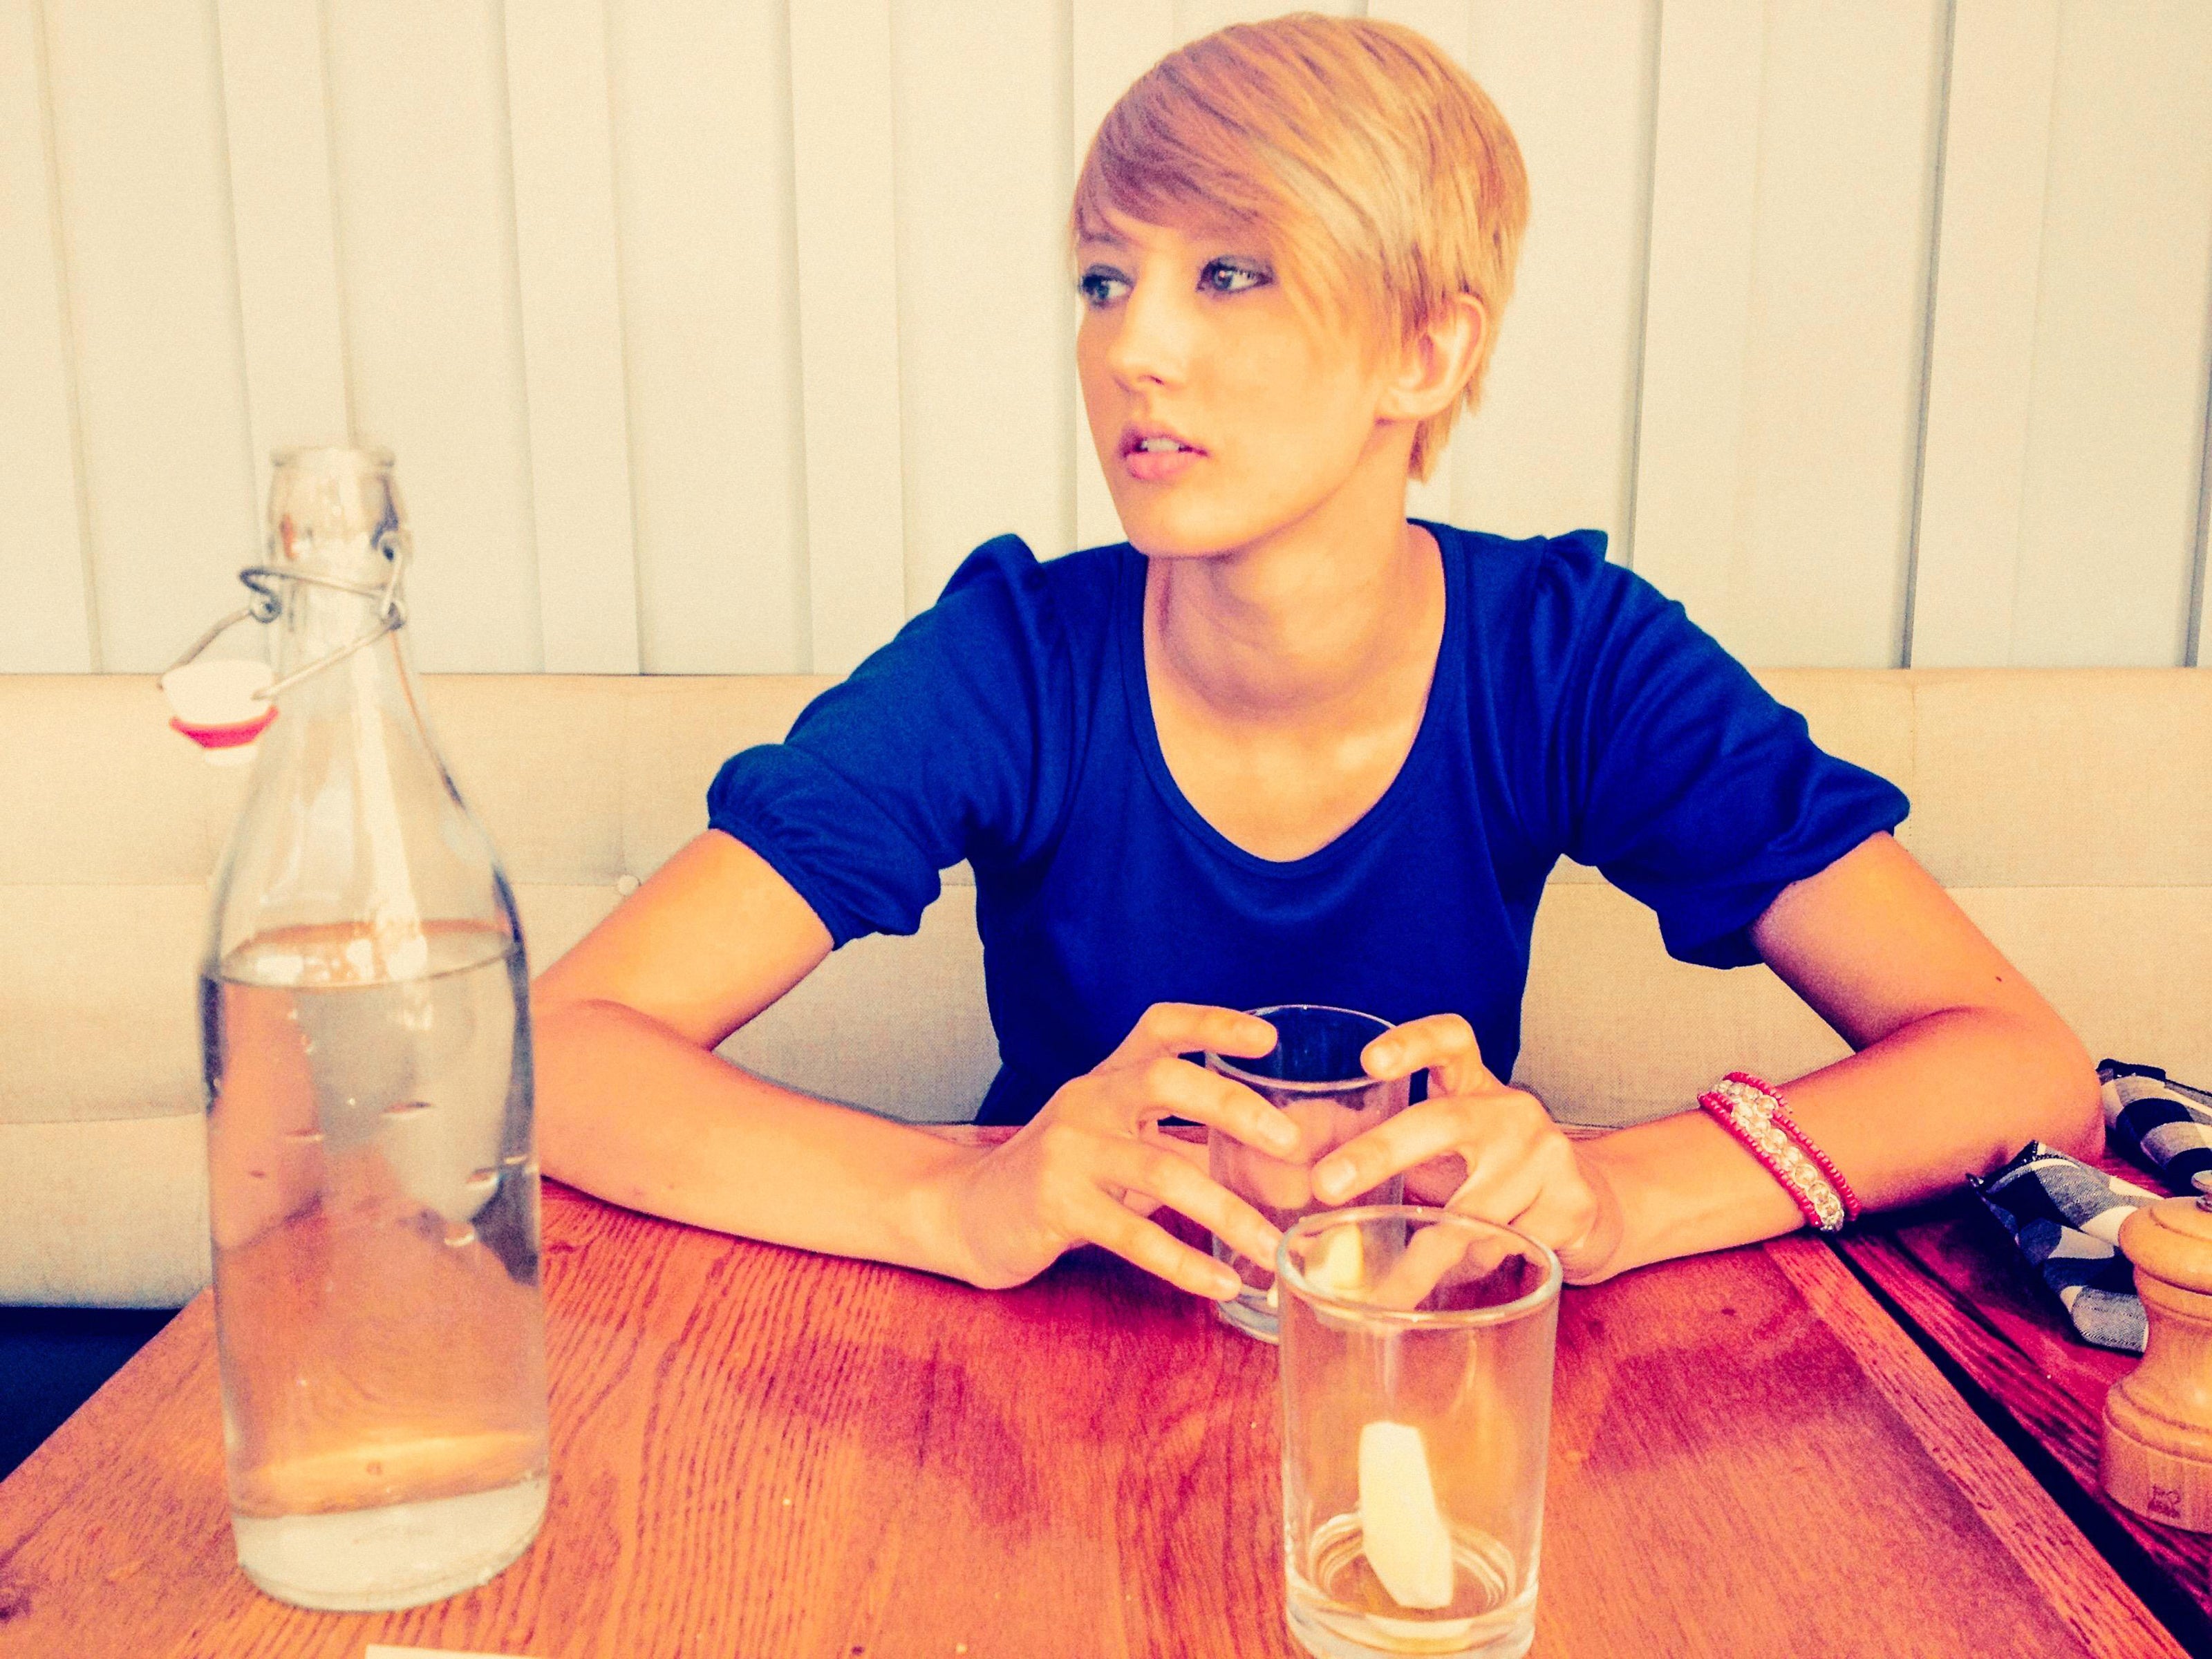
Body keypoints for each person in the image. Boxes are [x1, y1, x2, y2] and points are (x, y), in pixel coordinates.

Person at [533, 15, 2099, 1302]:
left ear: (1424, 352)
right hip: (1039, 1402)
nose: (1131, 346)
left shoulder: (1569, 657)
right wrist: (961, 1205)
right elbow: (565, 1057)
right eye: (1102, 277)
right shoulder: (1012, 657)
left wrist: (1615, 1192)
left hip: (1431, 1378)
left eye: (1228, 272)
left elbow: (2019, 1067)